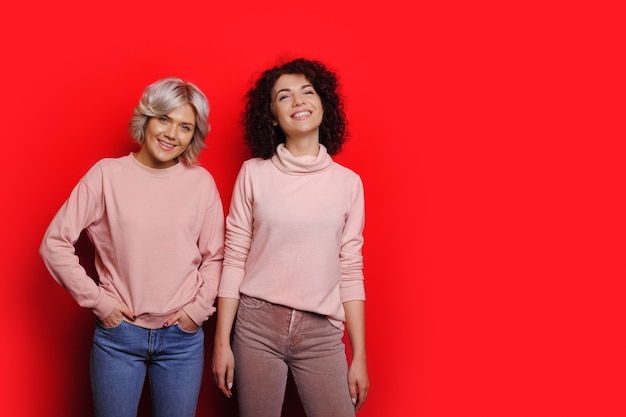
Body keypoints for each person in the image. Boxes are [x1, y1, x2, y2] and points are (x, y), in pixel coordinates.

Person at [39, 77, 225, 417]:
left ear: (193, 136)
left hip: (181, 340)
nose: (172, 134)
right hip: (119, 338)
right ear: (148, 118)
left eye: (185, 127)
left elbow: (215, 257)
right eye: (164, 119)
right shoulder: (106, 175)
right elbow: (54, 243)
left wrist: (197, 311)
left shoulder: (200, 184)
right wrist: (98, 302)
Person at [211, 57, 370, 417]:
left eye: (307, 92)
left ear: (323, 104)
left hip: (321, 333)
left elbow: (351, 269)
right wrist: (222, 343)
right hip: (256, 327)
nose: (298, 101)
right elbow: (234, 256)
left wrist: (358, 356)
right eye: (284, 96)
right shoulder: (253, 173)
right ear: (271, 116)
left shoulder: (348, 183)